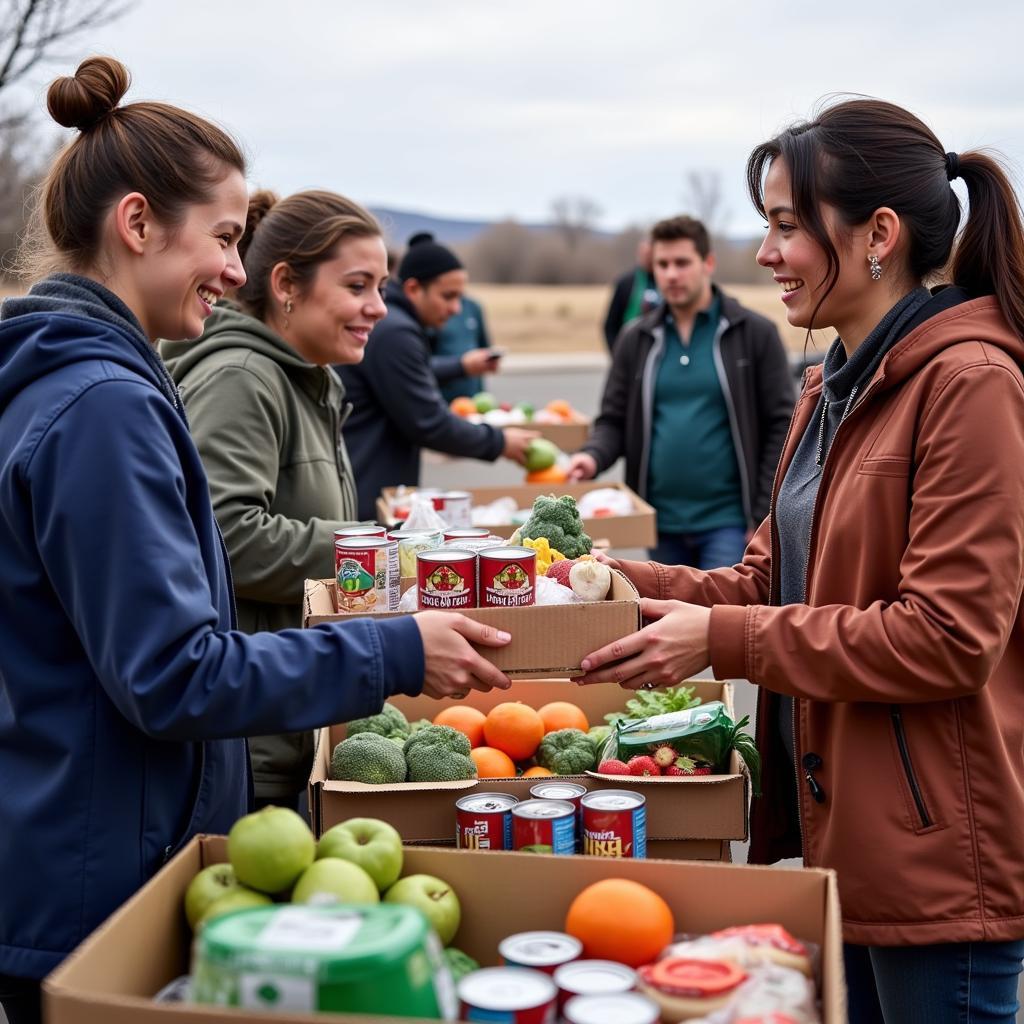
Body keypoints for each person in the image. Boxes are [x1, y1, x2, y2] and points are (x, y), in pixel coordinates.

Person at [0, 57, 511, 1024]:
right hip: (94, 884)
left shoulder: (75, 384)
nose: (238, 271)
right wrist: (394, 649)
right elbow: (173, 674)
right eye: (226, 239)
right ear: (138, 223)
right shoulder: (101, 406)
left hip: (71, 849)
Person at [578, 98, 1024, 1022]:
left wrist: (726, 639)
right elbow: (763, 582)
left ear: (878, 235)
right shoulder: (832, 386)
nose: (765, 253)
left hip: (940, 855)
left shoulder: (970, 385)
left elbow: (946, 639)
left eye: (786, 225)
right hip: (848, 835)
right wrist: (622, 583)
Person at [159, 189, 386, 812]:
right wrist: (379, 551)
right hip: (253, 739)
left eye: (381, 287)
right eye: (359, 286)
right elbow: (226, 535)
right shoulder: (244, 379)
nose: (378, 307)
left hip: (293, 715)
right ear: (286, 283)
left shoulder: (306, 379)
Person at [570, 215, 794, 569]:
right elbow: (613, 419)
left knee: (714, 619)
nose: (671, 274)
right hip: (660, 523)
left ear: (708, 263)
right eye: (662, 264)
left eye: (682, 263)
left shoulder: (754, 333)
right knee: (667, 619)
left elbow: (783, 427)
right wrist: (592, 456)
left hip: (729, 522)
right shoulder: (636, 338)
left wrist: (763, 514)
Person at [337, 233, 535, 520]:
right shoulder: (396, 333)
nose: (456, 309)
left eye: (459, 297)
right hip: (368, 492)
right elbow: (428, 421)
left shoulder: (395, 326)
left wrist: (461, 366)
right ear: (414, 289)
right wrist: (499, 442)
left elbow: (410, 375)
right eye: (448, 296)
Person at [431, 289, 499, 402]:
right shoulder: (432, 309)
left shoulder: (473, 307)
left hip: (474, 399)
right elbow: (421, 365)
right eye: (448, 296)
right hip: (441, 400)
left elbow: (483, 346)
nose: (456, 309)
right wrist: (462, 366)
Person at [602, 238, 660, 350]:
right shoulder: (626, 282)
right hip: (631, 347)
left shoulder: (667, 281)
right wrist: (617, 353)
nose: (648, 258)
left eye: (651, 254)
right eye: (644, 254)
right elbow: (611, 324)